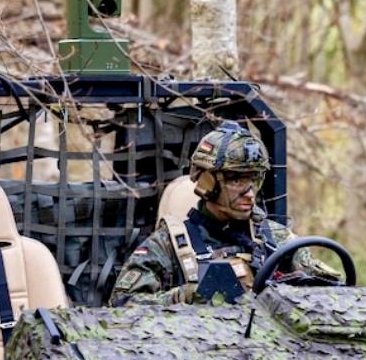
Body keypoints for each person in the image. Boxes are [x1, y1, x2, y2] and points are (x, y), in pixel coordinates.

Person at [109, 121, 329, 305]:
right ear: (208, 183)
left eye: (254, 180)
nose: (249, 194)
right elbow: (122, 305)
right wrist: (186, 297)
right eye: (236, 180)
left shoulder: (279, 240)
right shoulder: (169, 244)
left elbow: (329, 294)